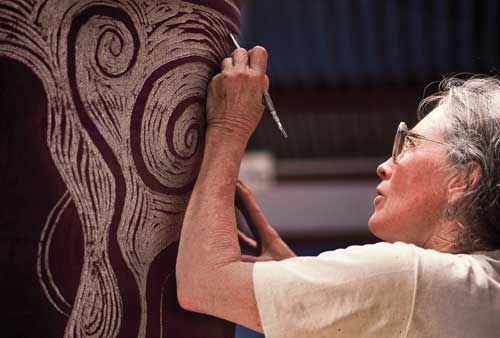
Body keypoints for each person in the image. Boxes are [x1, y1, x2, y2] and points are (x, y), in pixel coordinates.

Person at [175, 46, 500, 337]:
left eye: (408, 143)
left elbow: (202, 283)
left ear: (464, 178)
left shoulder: (412, 277)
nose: (385, 165)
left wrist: (229, 126)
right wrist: (299, 288)